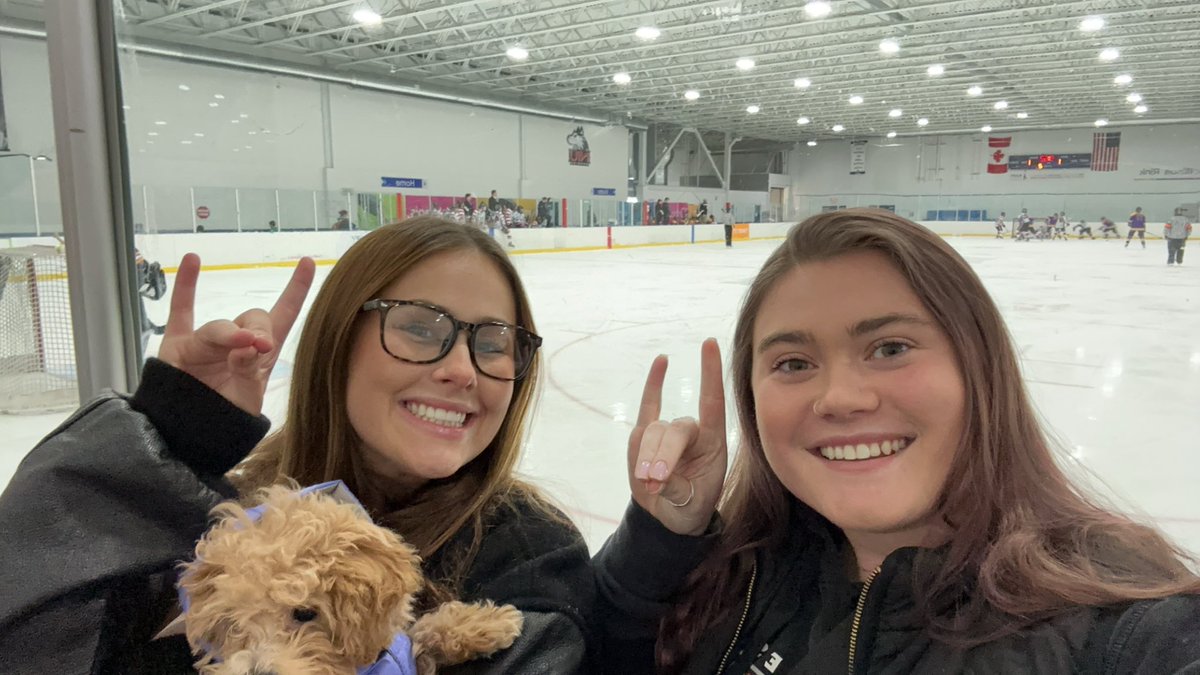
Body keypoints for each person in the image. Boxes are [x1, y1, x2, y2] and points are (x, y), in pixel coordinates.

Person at [594, 208, 1200, 674]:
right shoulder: (739, 574)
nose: (840, 398)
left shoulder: (1125, 626)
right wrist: (660, 546)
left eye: (890, 349)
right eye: (793, 363)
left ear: (978, 366)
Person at [0, 217, 594, 674]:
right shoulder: (219, 519)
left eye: (494, 341)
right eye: (419, 327)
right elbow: (31, 631)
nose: (463, 370)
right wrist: (170, 435)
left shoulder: (533, 560)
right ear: (337, 344)